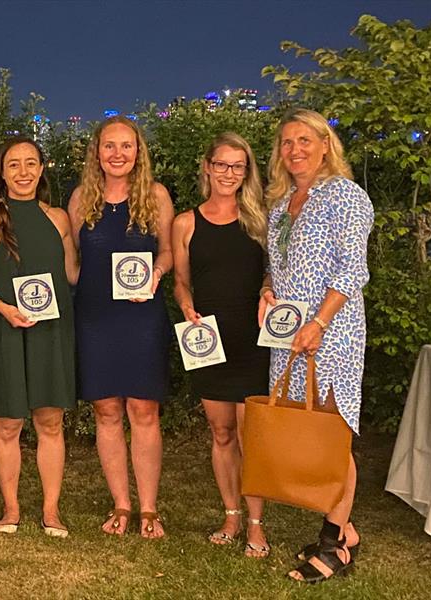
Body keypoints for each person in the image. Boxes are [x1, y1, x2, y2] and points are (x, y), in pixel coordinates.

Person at [259, 108, 373, 582]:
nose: (295, 150)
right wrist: (267, 290)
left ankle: (334, 545)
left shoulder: (346, 197)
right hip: (288, 334)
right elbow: (277, 265)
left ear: (326, 145)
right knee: (305, 430)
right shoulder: (282, 203)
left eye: (305, 140)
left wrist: (320, 323)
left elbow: (352, 270)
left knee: (333, 433)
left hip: (333, 332)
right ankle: (344, 530)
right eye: (287, 142)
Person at [0, 136, 78, 537]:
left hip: (50, 330)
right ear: (2, 172)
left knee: (50, 421)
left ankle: (51, 510)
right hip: (4, 329)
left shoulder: (59, 219)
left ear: (42, 169)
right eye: (14, 164)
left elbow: (73, 275)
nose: (24, 172)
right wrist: (3, 309)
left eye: (31, 163)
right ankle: (10, 509)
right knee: (8, 424)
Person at [67, 115, 173, 539]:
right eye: (109, 146)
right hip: (95, 317)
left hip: (143, 316)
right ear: (97, 152)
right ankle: (121, 504)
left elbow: (167, 253)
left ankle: (148, 507)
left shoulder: (157, 196)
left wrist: (156, 274)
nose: (117, 154)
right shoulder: (80, 199)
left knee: (144, 410)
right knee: (106, 410)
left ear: (138, 152)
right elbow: (74, 265)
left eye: (126, 146)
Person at [172, 132, 270, 556]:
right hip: (209, 341)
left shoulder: (261, 218)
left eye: (238, 166)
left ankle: (255, 524)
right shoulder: (185, 222)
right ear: (208, 167)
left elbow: (275, 272)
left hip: (254, 339)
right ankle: (230, 514)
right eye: (222, 164)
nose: (229, 173)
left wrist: (268, 288)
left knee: (253, 437)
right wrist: (186, 304)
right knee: (221, 432)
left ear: (246, 172)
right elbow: (180, 280)